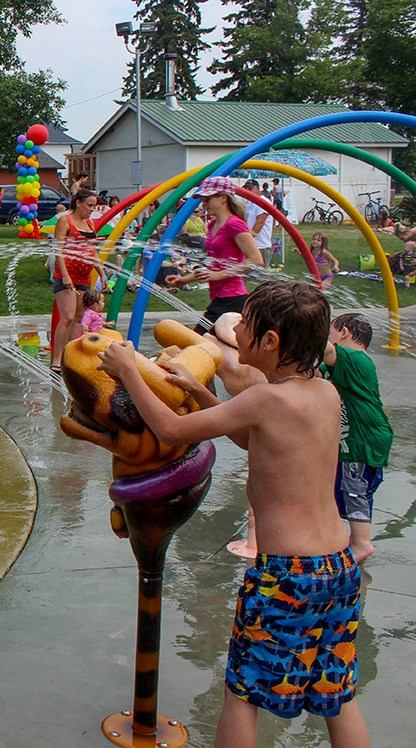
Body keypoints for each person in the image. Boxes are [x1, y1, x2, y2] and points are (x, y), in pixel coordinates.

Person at [98, 281, 368, 747]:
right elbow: (253, 440)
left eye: (244, 322)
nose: (235, 328)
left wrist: (129, 372)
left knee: (243, 696)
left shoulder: (266, 399)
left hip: (286, 575)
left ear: (270, 343)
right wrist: (199, 393)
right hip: (336, 567)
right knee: (335, 692)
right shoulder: (323, 393)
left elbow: (169, 428)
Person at [323, 313, 392, 563]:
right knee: (352, 487)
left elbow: (325, 351)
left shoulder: (355, 359)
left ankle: (361, 543)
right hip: (359, 437)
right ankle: (353, 541)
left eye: (330, 332)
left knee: (354, 488)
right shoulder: (343, 363)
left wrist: (302, 323)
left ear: (344, 333)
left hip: (362, 438)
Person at [166, 177, 264, 332]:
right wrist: (184, 279)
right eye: (203, 200)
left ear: (223, 198)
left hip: (232, 299)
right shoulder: (212, 225)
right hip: (219, 298)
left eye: (207, 199)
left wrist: (219, 275)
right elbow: (213, 266)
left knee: (199, 343)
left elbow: (256, 260)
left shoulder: (234, 225)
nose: (203, 204)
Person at [50, 189, 107, 373]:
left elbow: (92, 251)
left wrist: (101, 272)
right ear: (78, 203)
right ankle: (57, 359)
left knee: (78, 318)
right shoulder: (64, 221)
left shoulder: (89, 223)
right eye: (90, 205)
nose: (92, 209)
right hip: (65, 277)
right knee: (66, 317)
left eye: (94, 205)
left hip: (83, 277)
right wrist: (65, 275)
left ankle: (73, 356)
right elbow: (58, 250)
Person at [243, 180, 278, 268]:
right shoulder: (250, 203)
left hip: (261, 246)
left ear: (257, 188)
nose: (247, 190)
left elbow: (260, 222)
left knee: (260, 278)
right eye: (245, 188)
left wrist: (247, 239)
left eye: (249, 188)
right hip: (253, 245)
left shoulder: (263, 201)